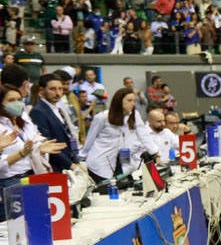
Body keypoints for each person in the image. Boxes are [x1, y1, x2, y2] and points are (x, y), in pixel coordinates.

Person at [0, 85, 66, 218]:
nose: (17, 103)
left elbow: (35, 142)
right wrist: (22, 154)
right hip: (10, 182)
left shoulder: (23, 122)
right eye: (11, 100)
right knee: (15, 228)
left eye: (19, 99)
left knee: (36, 222)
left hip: (31, 176)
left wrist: (38, 149)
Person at [80, 86, 159, 184]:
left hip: (122, 160)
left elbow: (144, 135)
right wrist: (82, 158)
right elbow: (90, 139)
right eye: (129, 100)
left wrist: (154, 152)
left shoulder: (134, 115)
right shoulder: (103, 117)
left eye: (134, 101)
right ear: (119, 101)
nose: (133, 104)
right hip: (99, 161)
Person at [30, 73, 80, 171]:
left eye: (60, 89)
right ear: (41, 91)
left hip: (68, 162)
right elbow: (48, 144)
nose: (58, 93)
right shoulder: (38, 111)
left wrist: (76, 161)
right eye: (52, 89)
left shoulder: (58, 109)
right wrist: (70, 165)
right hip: (54, 166)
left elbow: (69, 136)